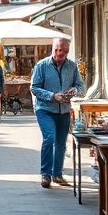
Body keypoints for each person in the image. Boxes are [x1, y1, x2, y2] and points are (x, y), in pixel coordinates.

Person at [30, 38, 83, 188]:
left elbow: (80, 84)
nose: (59, 55)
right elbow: (34, 88)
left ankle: (57, 174)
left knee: (61, 143)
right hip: (45, 109)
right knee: (49, 138)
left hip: (64, 110)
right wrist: (52, 96)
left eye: (62, 53)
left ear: (66, 52)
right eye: (57, 51)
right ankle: (45, 174)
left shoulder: (71, 66)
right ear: (53, 49)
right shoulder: (41, 66)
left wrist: (75, 90)